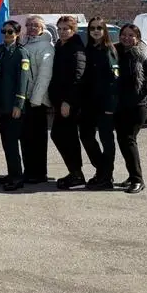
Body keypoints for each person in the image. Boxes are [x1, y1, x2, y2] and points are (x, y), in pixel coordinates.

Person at [114, 24, 147, 194]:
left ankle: (138, 180)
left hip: (138, 106)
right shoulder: (116, 51)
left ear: (138, 37)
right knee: (123, 140)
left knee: (128, 140)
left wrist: (136, 95)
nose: (127, 38)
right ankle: (132, 175)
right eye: (124, 35)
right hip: (120, 105)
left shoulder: (142, 53)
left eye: (131, 35)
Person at [48, 15, 87, 190]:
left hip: (69, 103)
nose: (63, 32)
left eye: (66, 29)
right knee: (60, 135)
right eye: (60, 29)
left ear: (74, 30)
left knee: (66, 137)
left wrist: (67, 102)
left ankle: (77, 174)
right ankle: (75, 172)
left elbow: (77, 78)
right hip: (59, 101)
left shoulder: (76, 50)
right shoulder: (60, 45)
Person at [82, 17, 119, 190]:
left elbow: (114, 80)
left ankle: (106, 177)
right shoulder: (89, 49)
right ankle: (102, 170)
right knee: (86, 137)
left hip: (105, 105)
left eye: (99, 28)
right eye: (92, 28)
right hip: (89, 103)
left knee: (107, 141)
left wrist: (111, 107)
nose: (95, 31)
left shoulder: (108, 50)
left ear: (104, 30)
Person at [0, 20, 30, 192]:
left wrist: (19, 104)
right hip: (2, 105)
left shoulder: (21, 53)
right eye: (5, 31)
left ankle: (17, 177)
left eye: (10, 32)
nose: (7, 35)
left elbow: (23, 81)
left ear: (17, 34)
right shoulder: (0, 50)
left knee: (12, 143)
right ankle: (11, 173)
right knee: (6, 142)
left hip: (14, 106)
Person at [20, 15, 54, 184]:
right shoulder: (25, 43)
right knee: (25, 138)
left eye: (35, 25)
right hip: (24, 100)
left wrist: (36, 99)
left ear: (42, 28)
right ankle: (28, 171)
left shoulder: (46, 47)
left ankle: (40, 173)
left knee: (38, 140)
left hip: (37, 102)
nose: (32, 28)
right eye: (29, 25)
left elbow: (44, 76)